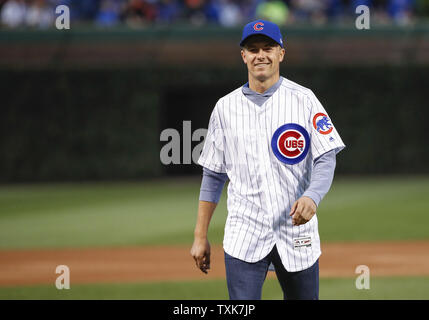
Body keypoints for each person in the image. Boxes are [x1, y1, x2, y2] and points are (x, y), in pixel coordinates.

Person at [190, 19, 345, 300]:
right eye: (253, 48)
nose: (260, 54)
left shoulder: (304, 99)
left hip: (296, 232)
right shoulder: (225, 108)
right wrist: (200, 236)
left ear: (281, 53)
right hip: (244, 233)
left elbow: (326, 156)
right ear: (244, 56)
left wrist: (313, 196)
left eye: (268, 47)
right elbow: (213, 175)